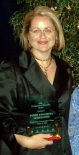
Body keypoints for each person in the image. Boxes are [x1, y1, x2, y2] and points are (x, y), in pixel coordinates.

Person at [0, 6, 72, 155]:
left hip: (59, 148)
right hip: (24, 150)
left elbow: (65, 115)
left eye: (48, 30)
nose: (42, 36)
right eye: (36, 30)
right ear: (27, 35)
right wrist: (24, 141)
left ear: (56, 35)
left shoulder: (65, 69)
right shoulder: (11, 68)